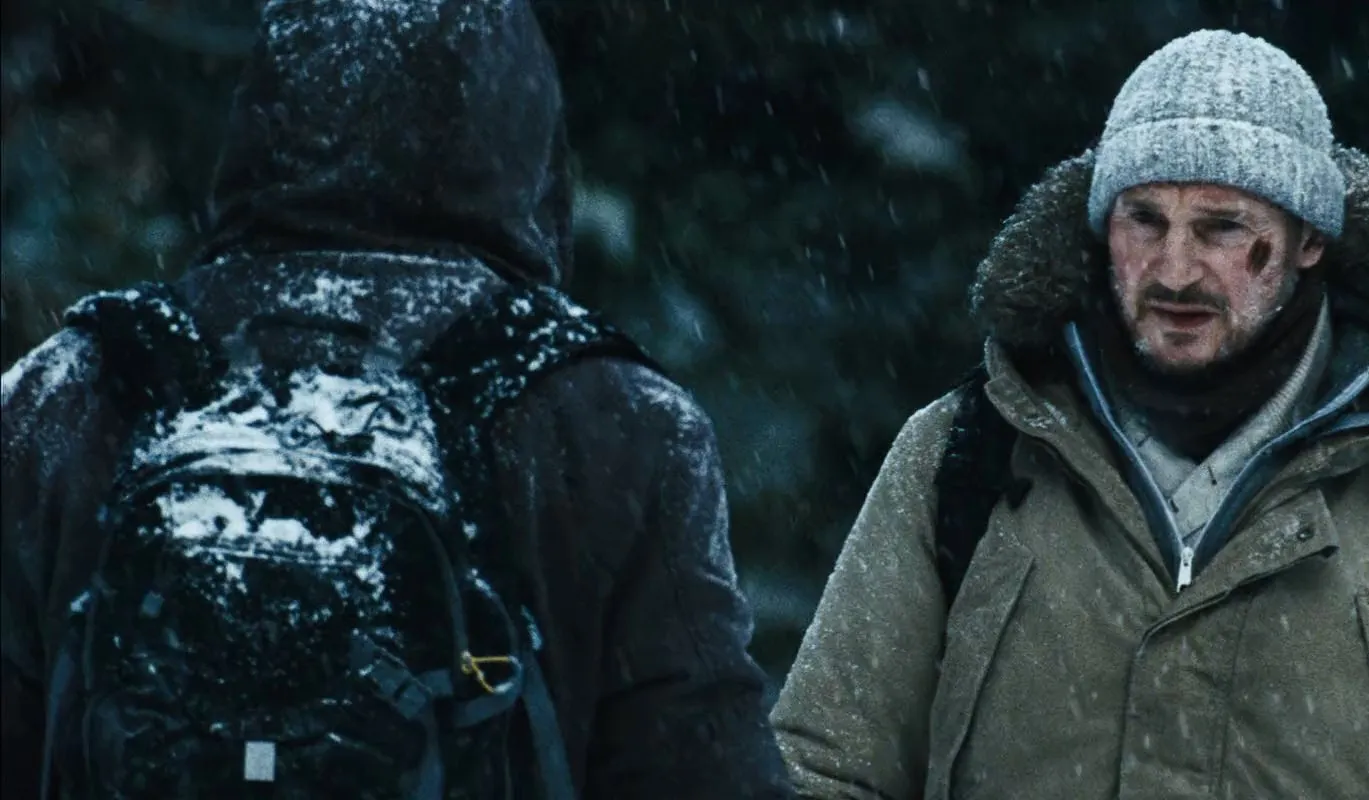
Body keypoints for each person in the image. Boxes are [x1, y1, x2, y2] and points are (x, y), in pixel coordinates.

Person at [773, 29, 1369, 799]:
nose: (1173, 270)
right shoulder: (966, 455)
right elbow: (826, 768)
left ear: (1309, 239)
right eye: (1144, 220)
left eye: (1221, 227)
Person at [0, 1, 791, 797]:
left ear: (262, 112)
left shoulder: (71, 389)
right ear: (523, 128)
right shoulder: (613, 420)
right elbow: (703, 767)